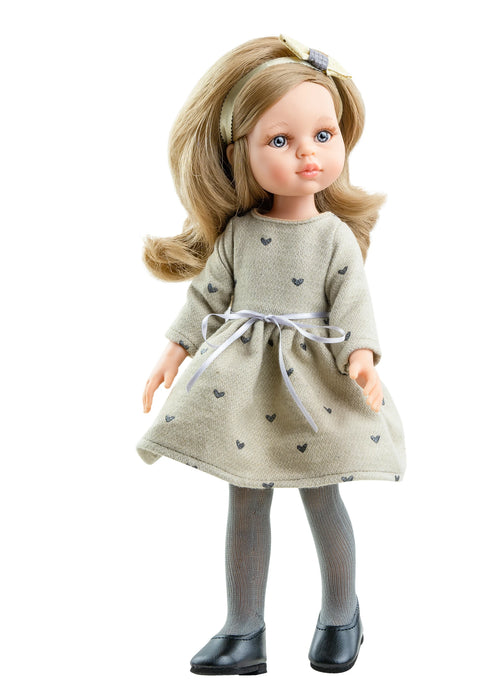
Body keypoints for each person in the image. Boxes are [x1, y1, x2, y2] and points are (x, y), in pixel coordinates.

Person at [137, 35, 406, 675]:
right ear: (240, 155)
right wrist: (175, 349)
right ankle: (243, 629)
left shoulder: (333, 236)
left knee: (321, 496)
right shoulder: (238, 234)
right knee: (246, 499)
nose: (308, 153)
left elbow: (352, 303)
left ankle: (341, 613)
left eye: (323, 135)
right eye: (280, 140)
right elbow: (207, 296)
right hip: (245, 383)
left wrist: (361, 358)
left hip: (314, 384)